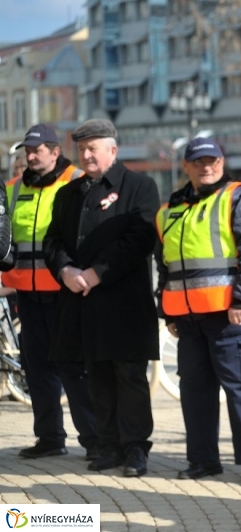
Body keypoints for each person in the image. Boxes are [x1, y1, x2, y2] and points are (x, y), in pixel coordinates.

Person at [43, 118, 160, 478]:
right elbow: (53, 242)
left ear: (113, 149)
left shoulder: (139, 186)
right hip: (83, 302)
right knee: (98, 376)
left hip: (124, 303)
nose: (87, 154)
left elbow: (139, 241)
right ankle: (108, 445)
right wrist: (65, 270)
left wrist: (97, 272)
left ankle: (136, 447)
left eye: (94, 147)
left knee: (129, 376)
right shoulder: (70, 193)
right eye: (82, 148)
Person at [155, 138, 241, 488]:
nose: (207, 167)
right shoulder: (171, 209)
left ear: (222, 162)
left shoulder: (238, 197)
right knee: (195, 391)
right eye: (199, 161)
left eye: (213, 160)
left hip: (228, 315)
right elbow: (165, 267)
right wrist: (168, 313)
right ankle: (203, 461)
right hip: (188, 320)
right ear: (186, 166)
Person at [6, 125, 97, 460]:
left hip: (65, 293)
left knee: (73, 367)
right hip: (26, 295)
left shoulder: (76, 182)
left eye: (37, 150)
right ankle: (49, 438)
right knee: (37, 368)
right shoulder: (13, 189)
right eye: (27, 150)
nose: (30, 156)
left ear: (55, 151)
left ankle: (94, 439)